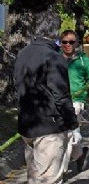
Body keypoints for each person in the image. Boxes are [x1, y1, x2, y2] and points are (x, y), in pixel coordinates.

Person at [14, 10, 78, 184]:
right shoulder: (54, 57)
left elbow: (17, 87)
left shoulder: (22, 54)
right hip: (48, 127)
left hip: (27, 124)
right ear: (55, 31)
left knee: (34, 178)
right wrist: (72, 122)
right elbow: (61, 95)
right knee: (49, 179)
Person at [60, 29, 89, 171]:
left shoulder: (84, 60)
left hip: (76, 101)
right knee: (65, 134)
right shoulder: (55, 58)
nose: (68, 45)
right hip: (58, 101)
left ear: (77, 43)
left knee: (71, 133)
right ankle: (80, 156)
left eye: (71, 42)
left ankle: (61, 170)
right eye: (64, 42)